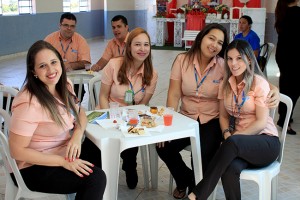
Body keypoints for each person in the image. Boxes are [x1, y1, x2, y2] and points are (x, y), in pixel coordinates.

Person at [156, 23, 279, 199]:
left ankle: (198, 193)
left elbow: (254, 78)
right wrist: (168, 124)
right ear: (201, 37)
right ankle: (188, 180)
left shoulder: (225, 66)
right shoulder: (183, 60)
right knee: (163, 145)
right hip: (186, 117)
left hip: (212, 121)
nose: (214, 45)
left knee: (206, 152)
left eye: (220, 42)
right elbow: (174, 93)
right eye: (211, 38)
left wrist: (274, 89)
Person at [9, 40, 106, 199]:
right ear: (33, 71)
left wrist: (76, 135)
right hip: (31, 167)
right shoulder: (28, 102)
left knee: (101, 146)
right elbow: (17, 151)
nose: (51, 70)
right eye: (42, 66)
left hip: (62, 151)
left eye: (54, 62)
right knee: (95, 179)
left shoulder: (64, 85)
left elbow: (80, 111)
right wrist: (62, 162)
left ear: (60, 62)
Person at [188, 39, 281, 200]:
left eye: (239, 58)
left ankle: (198, 194)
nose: (233, 63)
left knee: (231, 143)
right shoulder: (225, 84)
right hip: (238, 146)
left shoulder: (259, 83)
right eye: (230, 58)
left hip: (265, 143)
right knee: (230, 168)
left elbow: (260, 123)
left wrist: (234, 138)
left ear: (249, 60)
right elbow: (223, 116)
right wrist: (226, 134)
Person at [96, 27, 158, 189]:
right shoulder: (114, 65)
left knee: (130, 137)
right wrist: (109, 117)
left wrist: (128, 121)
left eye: (146, 45)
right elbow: (103, 96)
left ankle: (129, 165)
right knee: (94, 150)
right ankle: (98, 173)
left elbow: (142, 105)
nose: (142, 49)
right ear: (129, 47)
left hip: (131, 116)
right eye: (137, 44)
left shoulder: (152, 74)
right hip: (108, 112)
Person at [275, 0, 300, 135]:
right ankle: (285, 120)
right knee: (293, 90)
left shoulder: (282, 12)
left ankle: (284, 115)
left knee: (286, 86)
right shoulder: (296, 13)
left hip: (283, 55)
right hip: (294, 57)